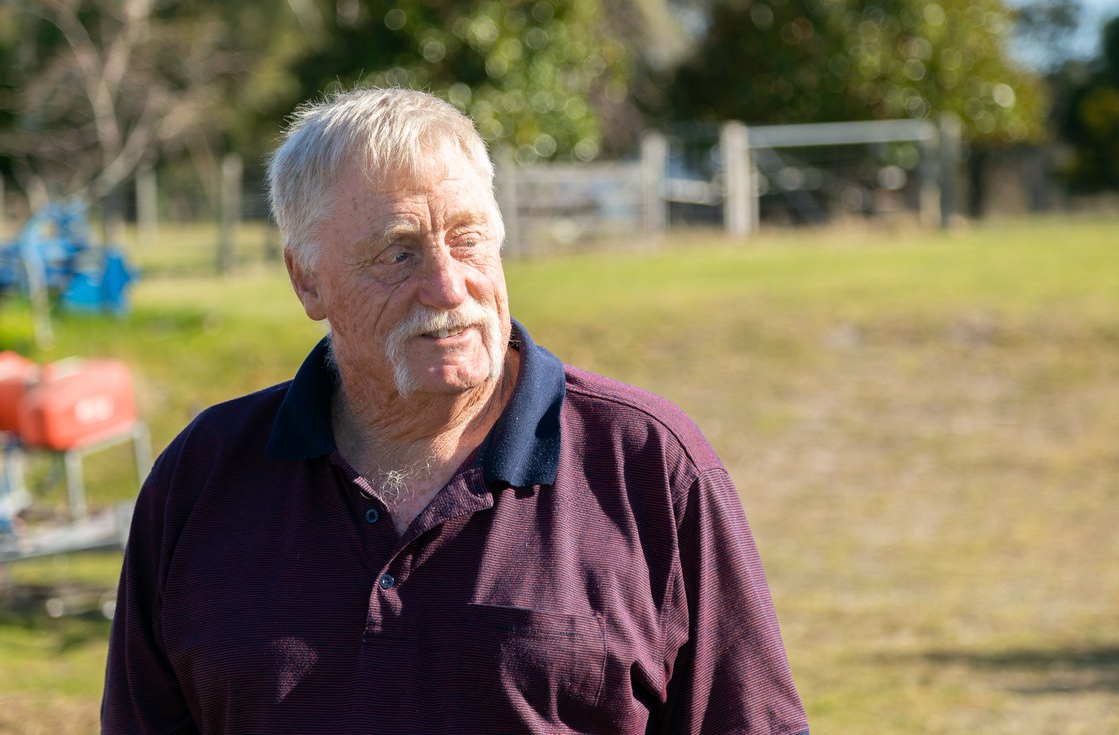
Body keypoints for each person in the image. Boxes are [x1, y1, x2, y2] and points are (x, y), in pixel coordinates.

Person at [101, 87, 809, 734]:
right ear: (306, 278)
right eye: (398, 253)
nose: (447, 286)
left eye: (467, 238)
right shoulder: (202, 478)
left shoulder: (647, 464)